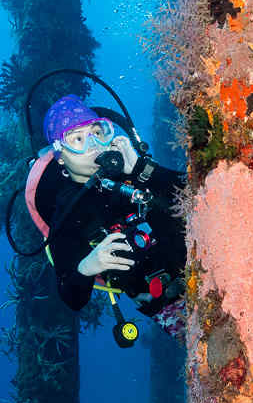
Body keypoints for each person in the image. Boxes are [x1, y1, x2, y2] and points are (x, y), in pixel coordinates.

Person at [31, 95, 186, 331]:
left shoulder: (130, 168)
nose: (93, 144)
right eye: (78, 139)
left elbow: (197, 192)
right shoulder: (67, 211)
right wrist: (88, 266)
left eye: (97, 132)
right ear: (60, 156)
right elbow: (72, 298)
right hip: (162, 303)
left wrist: (142, 169)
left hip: (203, 253)